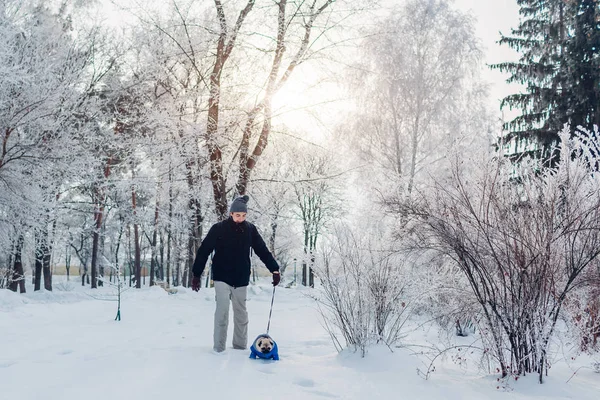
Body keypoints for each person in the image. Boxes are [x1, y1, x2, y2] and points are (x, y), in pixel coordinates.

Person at [191, 195, 280, 353]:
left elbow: (262, 250)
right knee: (222, 312)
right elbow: (204, 250)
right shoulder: (218, 229)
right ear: (231, 214)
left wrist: (274, 269)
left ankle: (239, 348)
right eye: (238, 215)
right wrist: (196, 274)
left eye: (244, 215)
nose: (241, 218)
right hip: (221, 277)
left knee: (241, 314)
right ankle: (218, 348)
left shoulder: (250, 230)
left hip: (241, 278)